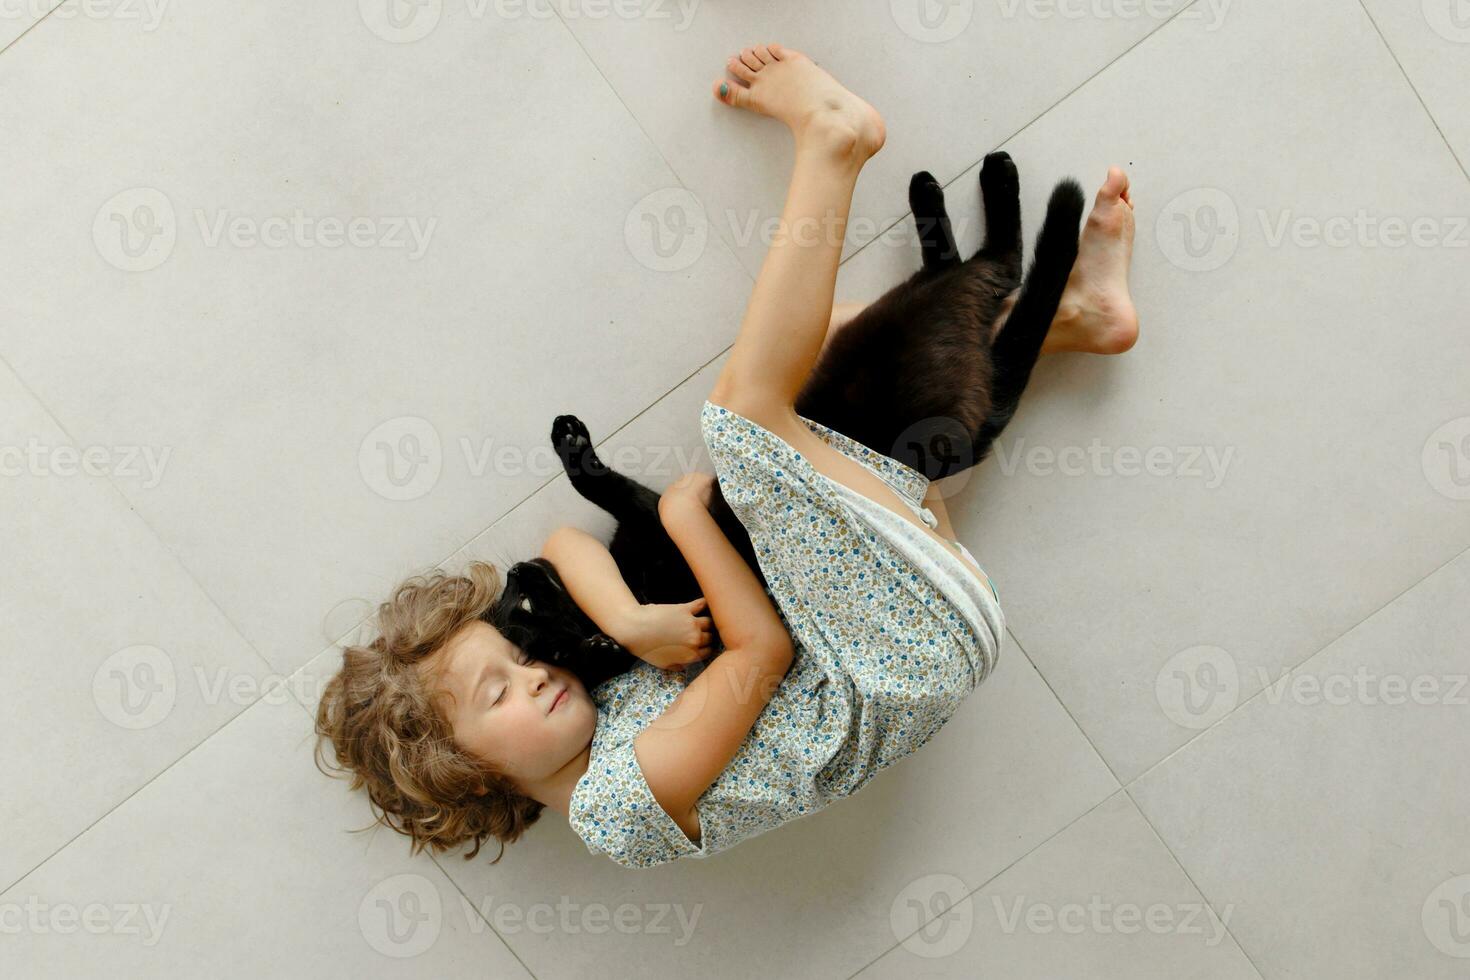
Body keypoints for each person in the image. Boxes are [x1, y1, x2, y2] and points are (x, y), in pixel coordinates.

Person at [314, 43, 1137, 870]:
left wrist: (632, 621)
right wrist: (683, 521)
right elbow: (760, 652)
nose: (532, 674)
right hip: (896, 655)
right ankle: (834, 140)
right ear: (474, 777)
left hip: (888, 636)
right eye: (499, 694)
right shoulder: (616, 808)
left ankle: (1073, 318)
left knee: (814, 383)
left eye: (515, 660)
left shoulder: (589, 730)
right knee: (743, 416)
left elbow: (563, 546)